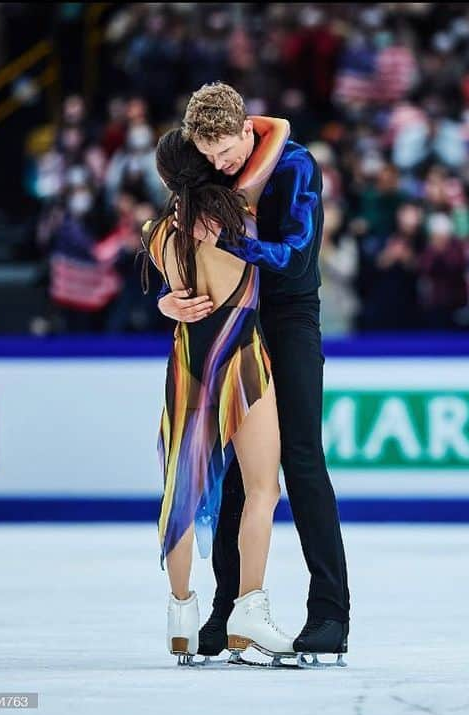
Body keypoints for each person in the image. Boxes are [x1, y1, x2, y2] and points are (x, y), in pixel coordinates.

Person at [156, 82, 350, 661]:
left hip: (288, 317)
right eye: (209, 157)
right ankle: (225, 610)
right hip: (234, 323)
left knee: (302, 461)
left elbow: (296, 255)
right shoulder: (212, 165)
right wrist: (169, 298)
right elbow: (175, 238)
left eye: (225, 153)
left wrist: (237, 244)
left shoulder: (295, 165)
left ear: (246, 128)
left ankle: (330, 613)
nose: (219, 165)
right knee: (237, 474)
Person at [142, 129, 294, 662]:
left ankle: (181, 612)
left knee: (180, 491)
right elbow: (279, 130)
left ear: (165, 179)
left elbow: (174, 293)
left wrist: (167, 304)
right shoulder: (240, 213)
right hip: (243, 361)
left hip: (188, 363)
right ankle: (247, 613)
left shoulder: (157, 234)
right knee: (262, 489)